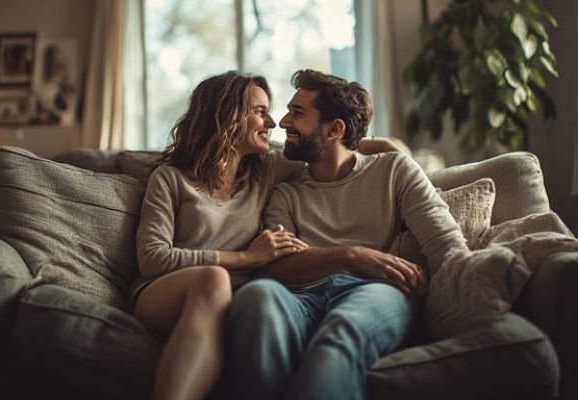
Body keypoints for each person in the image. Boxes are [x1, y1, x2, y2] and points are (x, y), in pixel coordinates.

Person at [132, 71, 399, 400]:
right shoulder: (170, 179)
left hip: (236, 302)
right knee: (214, 280)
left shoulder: (267, 168)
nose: (272, 122)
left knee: (243, 294)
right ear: (227, 115)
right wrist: (244, 259)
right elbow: (152, 259)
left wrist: (388, 147)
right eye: (259, 111)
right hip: (164, 294)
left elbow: (329, 146)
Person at [225, 69, 471, 400]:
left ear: (335, 128)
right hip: (299, 299)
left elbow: (445, 244)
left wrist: (461, 298)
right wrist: (351, 256)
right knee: (257, 296)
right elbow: (272, 266)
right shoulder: (286, 191)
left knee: (340, 332)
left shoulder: (394, 170)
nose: (282, 122)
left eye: (297, 113)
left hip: (374, 294)